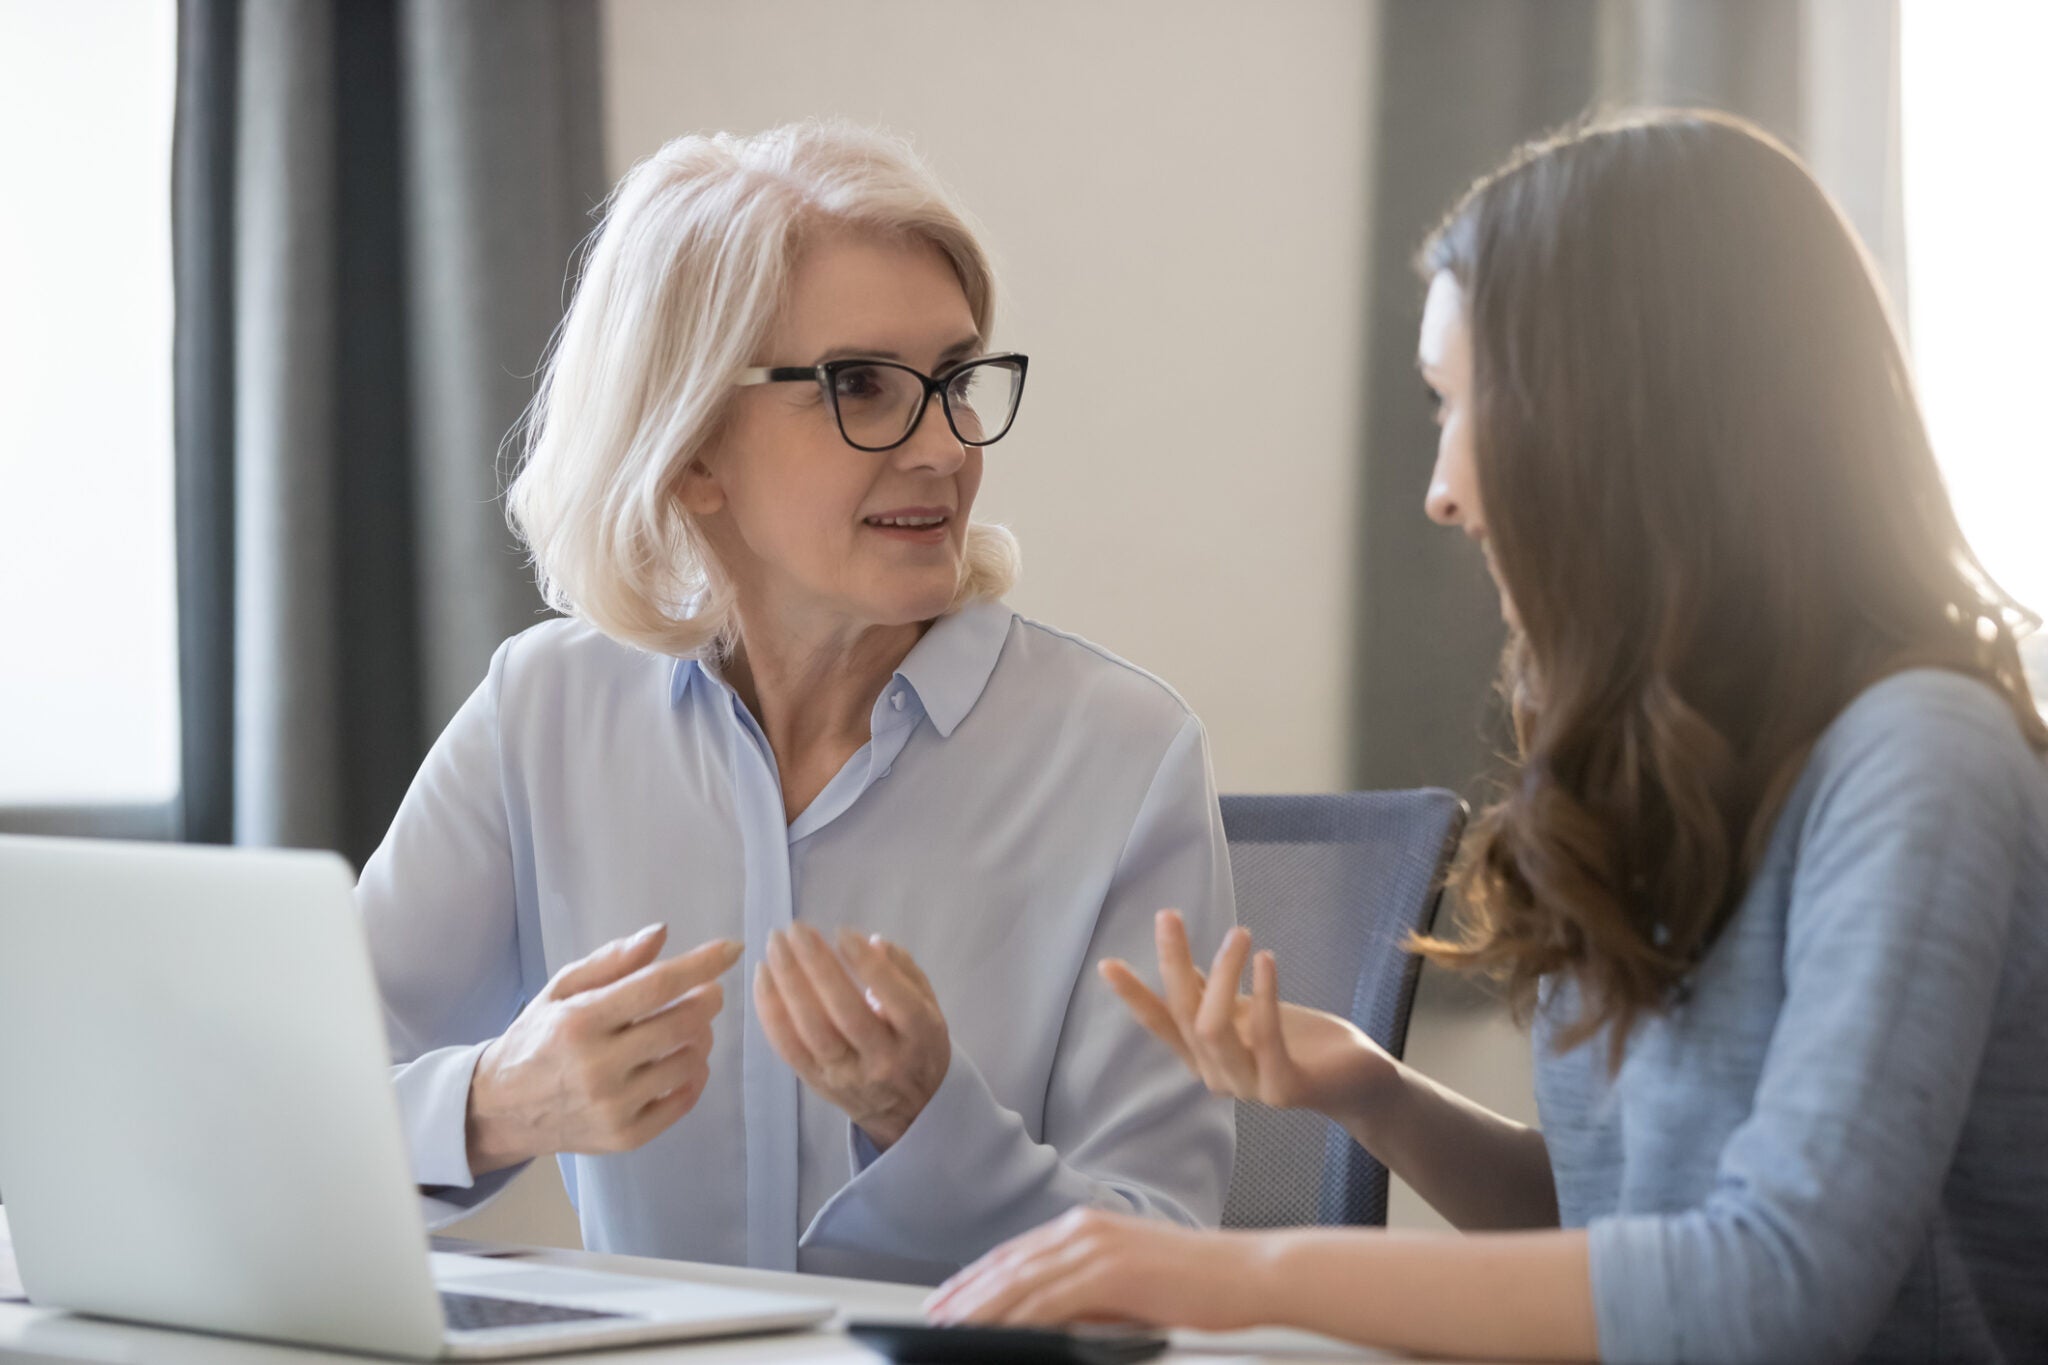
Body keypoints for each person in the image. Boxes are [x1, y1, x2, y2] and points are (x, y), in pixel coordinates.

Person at [927, 110, 2048, 1362]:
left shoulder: (1919, 759)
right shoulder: (1656, 755)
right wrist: (1373, 1092)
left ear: (1626, 420)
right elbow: (1619, 1233)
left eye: (1464, 406)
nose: (1442, 488)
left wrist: (1230, 1273)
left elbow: (1769, 1290)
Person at [355, 120, 1235, 1285]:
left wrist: (930, 1126)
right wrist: (499, 1103)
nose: (941, 447)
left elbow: (1165, 1259)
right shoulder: (545, 710)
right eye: (861, 386)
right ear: (688, 448)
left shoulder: (1125, 754)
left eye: (954, 380)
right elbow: (293, 1109)